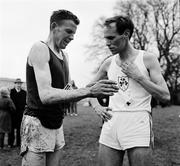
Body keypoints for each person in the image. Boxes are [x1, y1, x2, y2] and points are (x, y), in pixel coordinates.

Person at [21, 9, 119, 166]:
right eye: (68, 31)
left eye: (74, 33)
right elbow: (46, 95)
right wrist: (90, 91)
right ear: (54, 26)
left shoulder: (64, 55)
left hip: (57, 123)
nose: (72, 37)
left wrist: (92, 102)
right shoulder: (40, 48)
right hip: (37, 123)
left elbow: (69, 89)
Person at [89, 16, 170, 166]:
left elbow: (165, 95)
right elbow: (88, 89)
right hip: (111, 122)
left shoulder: (147, 59)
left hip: (138, 121)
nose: (107, 43)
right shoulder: (108, 62)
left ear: (126, 34)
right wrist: (97, 106)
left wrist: (139, 77)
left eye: (111, 38)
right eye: (106, 38)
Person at [8, 78, 26, 148]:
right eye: (17, 83)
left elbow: (25, 103)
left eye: (20, 84)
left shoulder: (24, 93)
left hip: (20, 114)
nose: (18, 85)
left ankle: (19, 144)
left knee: (19, 130)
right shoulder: (11, 92)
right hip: (12, 114)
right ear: (15, 84)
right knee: (11, 130)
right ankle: (11, 144)